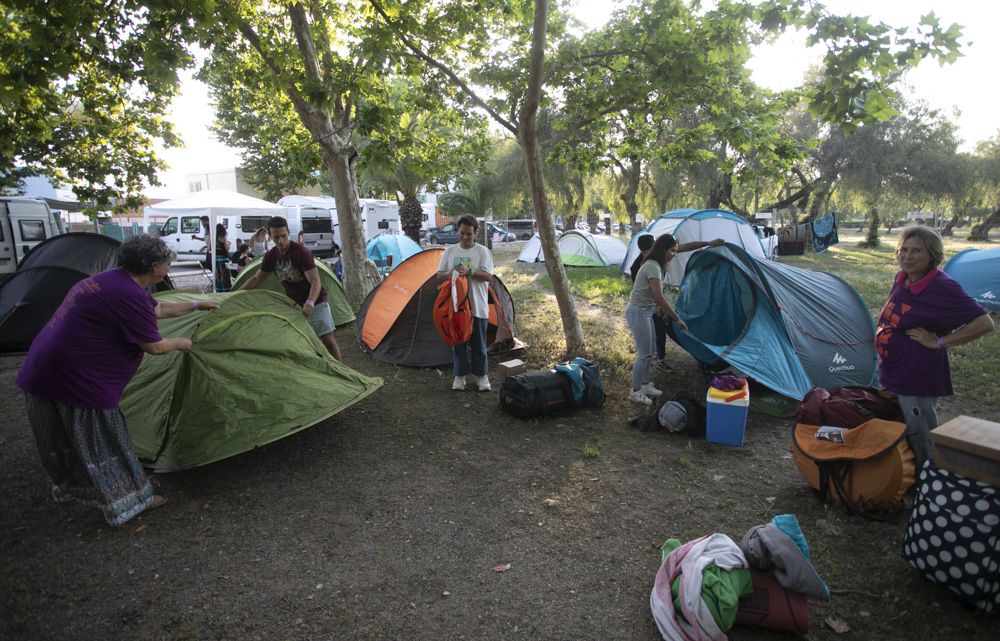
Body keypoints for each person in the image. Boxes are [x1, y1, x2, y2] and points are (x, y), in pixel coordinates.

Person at [16, 235, 218, 526]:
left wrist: (199, 305)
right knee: (104, 438)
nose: (168, 268)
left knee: (69, 436)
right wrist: (181, 343)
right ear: (153, 267)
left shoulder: (112, 279)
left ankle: (76, 487)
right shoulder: (128, 294)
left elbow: (157, 309)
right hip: (76, 378)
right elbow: (154, 347)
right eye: (166, 264)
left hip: (44, 368)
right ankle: (131, 500)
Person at [875, 225, 993, 471]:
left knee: (921, 434)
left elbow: (984, 323)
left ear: (932, 255)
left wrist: (938, 342)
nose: (907, 256)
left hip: (917, 375)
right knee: (898, 424)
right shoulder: (902, 279)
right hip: (894, 369)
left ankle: (929, 487)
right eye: (903, 249)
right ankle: (901, 477)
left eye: (916, 250)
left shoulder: (942, 285)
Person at [626, 233, 724, 404]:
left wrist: (709, 242)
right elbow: (659, 297)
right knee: (643, 354)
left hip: (646, 311)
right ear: (663, 249)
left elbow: (654, 297)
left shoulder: (657, 263)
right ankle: (635, 391)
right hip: (639, 312)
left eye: (675, 251)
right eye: (672, 251)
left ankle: (646, 384)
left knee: (649, 353)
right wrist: (676, 317)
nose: (674, 254)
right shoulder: (653, 266)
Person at [235, 216, 342, 360]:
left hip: (316, 301)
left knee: (327, 339)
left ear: (288, 232)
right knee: (300, 341)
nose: (280, 241)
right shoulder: (271, 256)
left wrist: (310, 301)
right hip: (293, 304)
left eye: (283, 236)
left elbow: (316, 281)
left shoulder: (301, 252)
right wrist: (236, 294)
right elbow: (256, 278)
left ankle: (341, 368)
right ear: (270, 235)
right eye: (276, 237)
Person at [436, 214, 494, 391]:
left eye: (469, 234)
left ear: (476, 233)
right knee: (458, 342)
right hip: (456, 308)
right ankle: (460, 376)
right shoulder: (450, 251)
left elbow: (488, 277)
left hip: (477, 306)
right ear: (458, 232)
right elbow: (439, 277)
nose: (465, 237)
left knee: (479, 344)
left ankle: (481, 376)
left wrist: (469, 271)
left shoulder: (483, 252)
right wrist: (450, 273)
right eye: (462, 233)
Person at [629, 234, 670, 370]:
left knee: (651, 344)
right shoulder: (644, 265)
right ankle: (638, 387)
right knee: (645, 352)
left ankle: (654, 364)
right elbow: (645, 290)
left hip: (649, 306)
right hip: (642, 309)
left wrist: (708, 242)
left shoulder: (655, 261)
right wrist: (659, 305)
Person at [214, 223, 232, 291]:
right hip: (223, 257)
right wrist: (229, 245)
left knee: (218, 274)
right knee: (225, 275)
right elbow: (226, 248)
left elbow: (209, 248)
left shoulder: (213, 237)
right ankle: (226, 289)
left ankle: (219, 289)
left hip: (216, 257)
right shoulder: (223, 237)